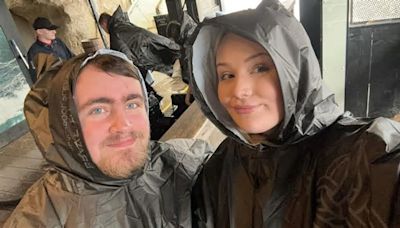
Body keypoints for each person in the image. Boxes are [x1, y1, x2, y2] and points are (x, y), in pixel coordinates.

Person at [189, 0, 400, 227]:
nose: (239, 91)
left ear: (296, 70)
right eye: (226, 75)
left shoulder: (362, 154)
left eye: (260, 68)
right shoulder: (223, 165)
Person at [4, 49, 212, 227]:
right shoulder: (38, 219)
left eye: (132, 104)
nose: (123, 125)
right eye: (98, 110)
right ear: (66, 127)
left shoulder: (180, 164)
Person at [99, 7, 183, 139]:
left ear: (104, 25)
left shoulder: (117, 33)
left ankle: (156, 125)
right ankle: (158, 118)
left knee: (144, 99)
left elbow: (122, 61)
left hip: (137, 72)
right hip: (144, 67)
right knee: (149, 96)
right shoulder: (125, 25)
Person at [27, 17, 74, 83]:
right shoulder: (33, 53)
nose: (54, 32)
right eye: (50, 29)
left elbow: (72, 57)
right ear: (39, 32)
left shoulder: (58, 42)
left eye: (54, 29)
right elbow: (37, 79)